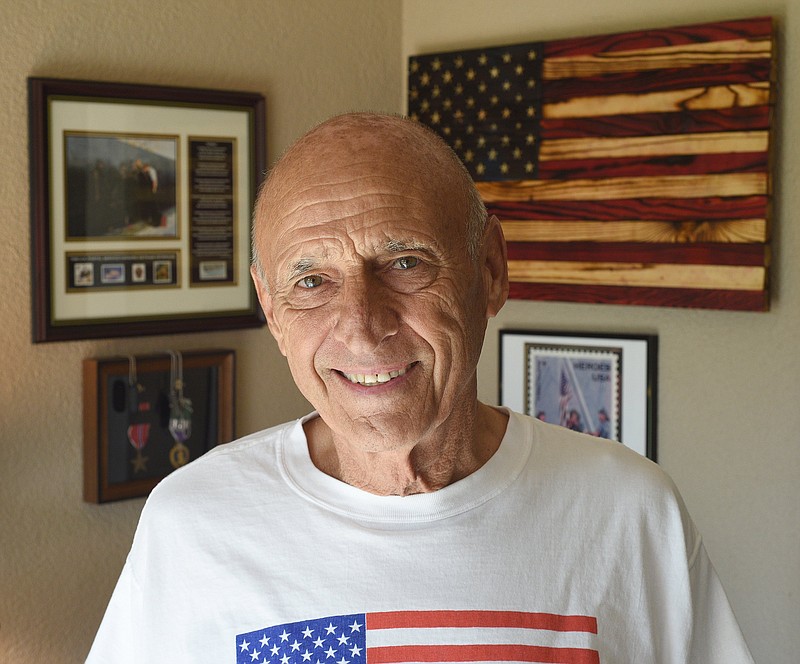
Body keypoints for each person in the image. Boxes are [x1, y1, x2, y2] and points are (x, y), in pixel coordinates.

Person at [86, 113, 753, 663]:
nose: (363, 326)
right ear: (270, 307)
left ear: (490, 269)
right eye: (312, 282)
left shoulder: (630, 511)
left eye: (404, 263)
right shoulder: (193, 523)